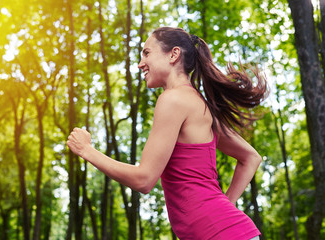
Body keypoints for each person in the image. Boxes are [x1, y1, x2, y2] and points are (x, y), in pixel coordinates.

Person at [67, 27, 267, 240]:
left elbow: (144, 180)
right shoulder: (199, 105)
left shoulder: (172, 100)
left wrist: (87, 150)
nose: (140, 63)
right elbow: (250, 157)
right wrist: (226, 205)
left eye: (147, 53)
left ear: (173, 54)